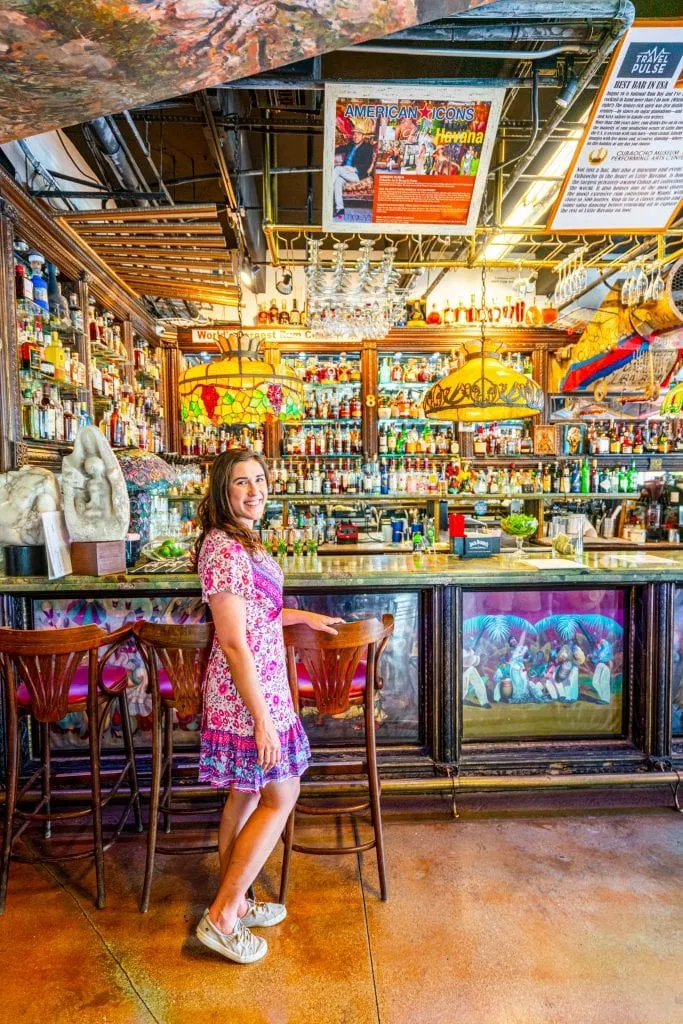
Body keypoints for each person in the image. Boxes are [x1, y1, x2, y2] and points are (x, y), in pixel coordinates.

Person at [192, 449, 343, 964]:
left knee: (246, 796)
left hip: (264, 683)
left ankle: (240, 896)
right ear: (222, 491)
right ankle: (223, 915)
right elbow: (234, 640)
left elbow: (260, 613)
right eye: (241, 483)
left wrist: (307, 617)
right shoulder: (222, 549)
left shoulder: (241, 541)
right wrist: (260, 718)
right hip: (247, 692)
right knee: (281, 792)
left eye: (260, 480)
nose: (255, 490)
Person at [333, 127, 375, 219]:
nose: (355, 136)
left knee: (337, 169)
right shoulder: (350, 145)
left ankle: (326, 190)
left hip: (356, 174)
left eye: (358, 134)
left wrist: (354, 169)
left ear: (363, 136)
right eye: (354, 134)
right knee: (338, 182)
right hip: (345, 171)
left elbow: (367, 163)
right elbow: (338, 149)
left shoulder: (368, 148)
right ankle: (340, 209)